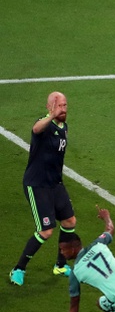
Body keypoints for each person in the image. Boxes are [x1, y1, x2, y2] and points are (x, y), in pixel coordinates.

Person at [9, 91, 79, 286]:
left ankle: (60, 265)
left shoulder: (64, 127)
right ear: (50, 107)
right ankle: (18, 269)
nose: (63, 109)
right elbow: (36, 129)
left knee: (69, 221)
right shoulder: (44, 124)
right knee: (46, 231)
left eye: (65, 105)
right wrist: (50, 116)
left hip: (55, 184)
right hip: (37, 184)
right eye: (59, 106)